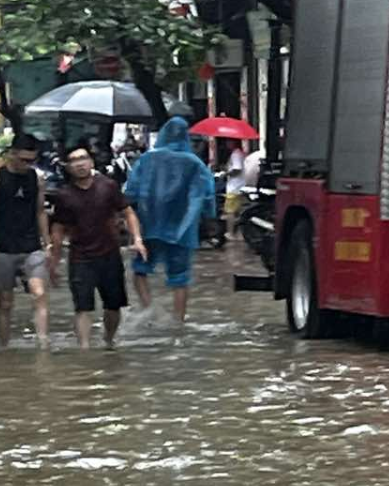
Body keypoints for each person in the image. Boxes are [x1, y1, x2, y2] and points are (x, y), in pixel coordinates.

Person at [51, 143, 145, 349]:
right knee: (82, 307)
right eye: (74, 161)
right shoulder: (64, 195)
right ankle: (84, 349)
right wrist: (54, 260)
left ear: (91, 162)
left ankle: (109, 341)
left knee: (113, 305)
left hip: (109, 254)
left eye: (83, 159)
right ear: (68, 167)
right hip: (80, 257)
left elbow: (128, 212)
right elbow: (58, 228)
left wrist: (137, 239)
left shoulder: (108, 186)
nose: (80, 164)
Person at [124, 116, 215, 326]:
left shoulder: (147, 160)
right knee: (180, 278)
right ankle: (178, 322)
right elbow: (207, 195)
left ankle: (149, 310)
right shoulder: (195, 164)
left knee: (140, 269)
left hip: (149, 226)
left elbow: (131, 192)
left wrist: (129, 221)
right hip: (182, 230)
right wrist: (209, 218)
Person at [0, 133, 52, 349]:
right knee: (5, 302)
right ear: (12, 154)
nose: (28, 164)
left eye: (32, 160)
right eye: (24, 160)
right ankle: (3, 347)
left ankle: (43, 344)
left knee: (39, 293)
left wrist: (48, 243)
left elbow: (40, 211)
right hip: (3, 247)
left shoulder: (37, 178)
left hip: (31, 246)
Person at [222, 139, 248, 220]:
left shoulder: (236, 154)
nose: (227, 143)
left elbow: (237, 169)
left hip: (234, 187)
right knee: (237, 211)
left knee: (230, 212)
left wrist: (225, 174)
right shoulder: (238, 153)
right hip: (238, 186)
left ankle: (230, 231)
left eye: (229, 141)